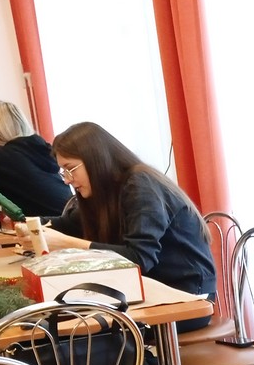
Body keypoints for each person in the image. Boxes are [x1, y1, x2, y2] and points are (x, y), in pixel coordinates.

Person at [30, 121, 215, 331]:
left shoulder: (141, 185)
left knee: (76, 332)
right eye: (63, 171)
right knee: (64, 324)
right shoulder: (107, 189)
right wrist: (31, 228)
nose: (67, 180)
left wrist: (66, 243)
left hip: (186, 297)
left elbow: (139, 259)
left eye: (70, 168)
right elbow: (67, 224)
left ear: (96, 159)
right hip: (145, 291)